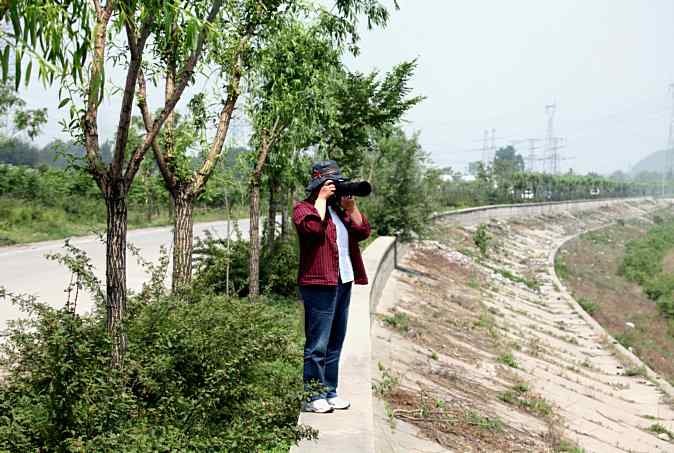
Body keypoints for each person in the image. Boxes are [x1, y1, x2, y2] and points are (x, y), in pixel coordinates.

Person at [292, 160, 371, 413]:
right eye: (330, 183)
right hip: (319, 283)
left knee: (336, 341)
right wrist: (322, 200)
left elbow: (363, 231)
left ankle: (329, 391)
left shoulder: (338, 211)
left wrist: (351, 206)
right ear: (318, 185)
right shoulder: (304, 209)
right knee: (318, 344)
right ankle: (312, 395)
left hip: (343, 280)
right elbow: (313, 230)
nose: (335, 187)